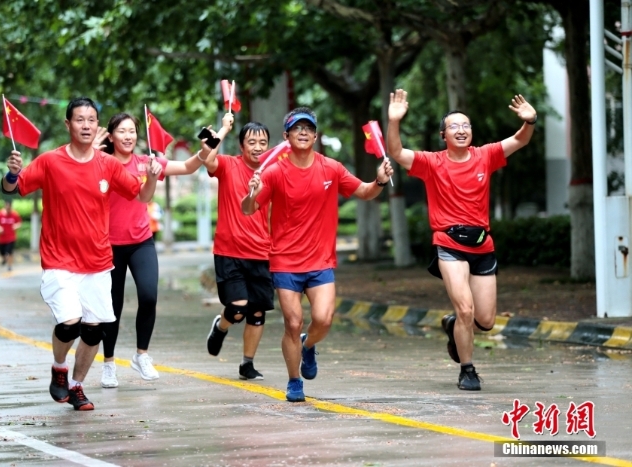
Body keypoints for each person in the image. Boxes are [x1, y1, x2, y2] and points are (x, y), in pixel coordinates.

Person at [1, 97, 163, 411]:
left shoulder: (108, 164)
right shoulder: (50, 161)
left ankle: (76, 386)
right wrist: (11, 174)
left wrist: (153, 175)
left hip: (98, 262)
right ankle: (59, 367)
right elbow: (14, 188)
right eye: (79, 119)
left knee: (94, 330)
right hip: (59, 260)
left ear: (97, 125)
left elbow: (141, 194)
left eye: (91, 120)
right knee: (69, 324)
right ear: (68, 125)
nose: (86, 125)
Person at [385, 89, 537, 391]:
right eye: (454, 126)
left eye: (466, 125)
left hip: (483, 245)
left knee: (485, 320)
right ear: (443, 135)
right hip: (449, 244)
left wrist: (530, 121)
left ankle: (453, 325)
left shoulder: (486, 155)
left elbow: (520, 139)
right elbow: (398, 152)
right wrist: (394, 122)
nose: (461, 130)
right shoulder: (432, 162)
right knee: (466, 309)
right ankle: (467, 370)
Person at [243, 107, 393, 402]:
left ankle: (307, 346)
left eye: (308, 128)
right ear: (286, 136)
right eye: (297, 128)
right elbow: (248, 209)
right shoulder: (274, 172)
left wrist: (379, 181)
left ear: (315, 135)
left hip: (320, 261)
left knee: (323, 319)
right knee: (293, 321)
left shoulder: (331, 168)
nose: (303, 132)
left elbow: (364, 192)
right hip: (285, 261)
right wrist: (251, 192)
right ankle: (294, 380)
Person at [92, 112, 214, 388]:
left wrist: (203, 152)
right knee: (112, 306)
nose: (128, 136)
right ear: (111, 136)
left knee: (149, 296)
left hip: (140, 242)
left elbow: (186, 167)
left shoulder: (148, 162)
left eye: (132, 131)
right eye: (121, 131)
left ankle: (141, 355)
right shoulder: (101, 162)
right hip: (108, 244)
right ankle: (108, 363)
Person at [203, 118, 274, 381]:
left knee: (256, 312)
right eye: (252, 142)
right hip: (229, 251)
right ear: (241, 145)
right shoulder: (228, 164)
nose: (258, 147)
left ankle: (247, 364)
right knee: (238, 307)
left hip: (261, 252)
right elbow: (208, 159)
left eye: (263, 142)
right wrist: (223, 129)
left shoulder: (271, 171)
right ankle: (221, 326)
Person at [0, 200, 22, 271]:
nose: (8, 209)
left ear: (11, 207)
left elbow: (19, 223)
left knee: (9, 252)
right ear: (5, 206)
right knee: (2, 252)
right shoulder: (0, 214)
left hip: (11, 238)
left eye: (9, 208)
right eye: (7, 207)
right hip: (1, 238)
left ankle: (9, 266)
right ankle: (4, 259)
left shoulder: (15, 214)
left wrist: (16, 226)